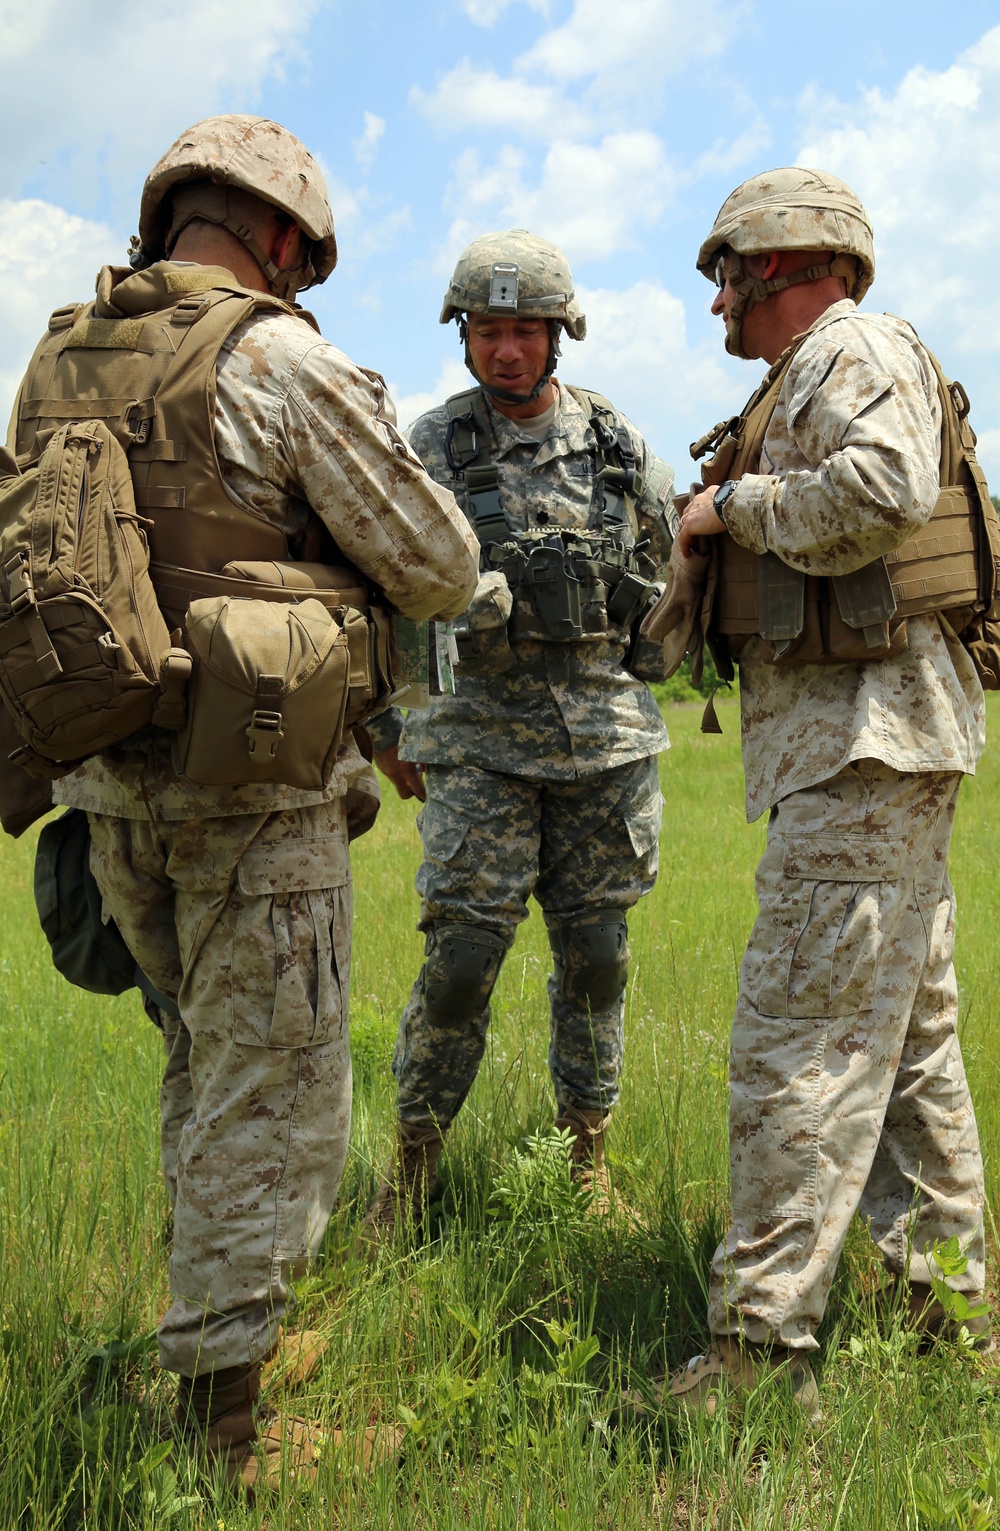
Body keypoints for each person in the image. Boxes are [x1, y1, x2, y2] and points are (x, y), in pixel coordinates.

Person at [6, 115, 478, 1486]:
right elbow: (436, 561)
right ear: (281, 239)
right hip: (252, 786)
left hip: (113, 787)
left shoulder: (57, 354)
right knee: (271, 1098)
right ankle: (229, 1430)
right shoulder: (275, 353)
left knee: (205, 1077)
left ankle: (226, 1336)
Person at [662, 168, 991, 1420]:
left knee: (796, 1050)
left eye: (724, 276)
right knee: (905, 1057)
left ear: (776, 263)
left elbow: (881, 488)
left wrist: (727, 508)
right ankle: (948, 1316)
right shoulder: (822, 362)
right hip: (873, 749)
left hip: (864, 750)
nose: (717, 303)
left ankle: (756, 1357)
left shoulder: (849, 348)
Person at [362, 229, 674, 1243]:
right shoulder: (431, 445)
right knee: (459, 961)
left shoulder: (619, 445)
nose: (506, 351)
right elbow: (387, 590)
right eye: (488, 330)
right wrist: (393, 720)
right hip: (478, 742)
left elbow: (667, 581)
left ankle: (587, 1160)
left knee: (597, 962)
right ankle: (410, 1170)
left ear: (557, 335)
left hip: (604, 745)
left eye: (525, 331)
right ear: (465, 337)